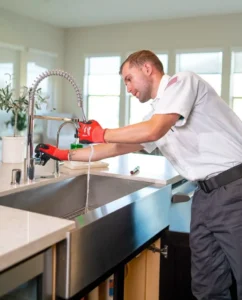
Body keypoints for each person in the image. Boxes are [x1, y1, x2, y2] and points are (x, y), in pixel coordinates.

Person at [35, 50, 242, 300]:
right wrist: (64, 154)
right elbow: (117, 146)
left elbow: (153, 131)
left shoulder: (184, 82)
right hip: (204, 197)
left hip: (234, 189)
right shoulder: (156, 114)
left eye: (128, 78)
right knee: (207, 286)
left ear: (147, 68)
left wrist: (103, 132)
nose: (128, 88)